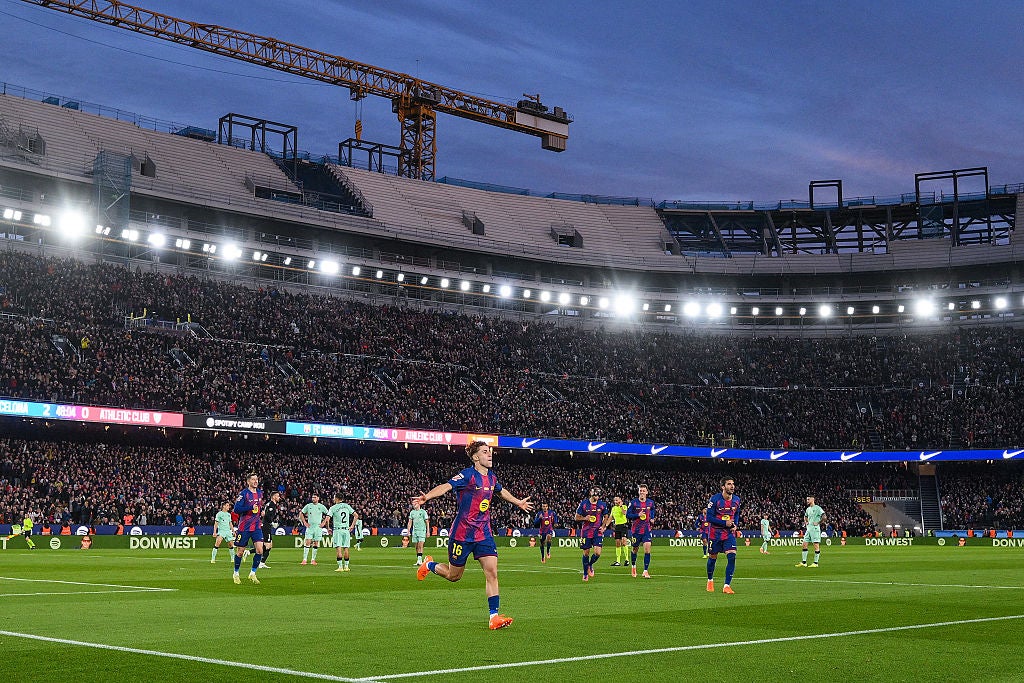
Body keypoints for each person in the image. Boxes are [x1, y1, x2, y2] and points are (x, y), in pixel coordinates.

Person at [413, 440, 533, 630]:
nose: (490, 454)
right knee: (454, 576)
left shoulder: (492, 478)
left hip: (483, 533)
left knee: (492, 572)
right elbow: (446, 486)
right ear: (476, 457)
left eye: (490, 451)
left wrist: (518, 502)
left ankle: (494, 616)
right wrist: (426, 497)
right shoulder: (467, 475)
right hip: (461, 534)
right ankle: (428, 564)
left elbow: (501, 492)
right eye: (485, 452)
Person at [705, 476, 741, 594]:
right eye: (729, 484)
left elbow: (736, 514)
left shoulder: (736, 499)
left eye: (733, 484)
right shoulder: (715, 499)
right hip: (715, 534)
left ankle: (726, 585)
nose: (732, 486)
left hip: (728, 534)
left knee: (732, 556)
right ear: (723, 487)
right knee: (712, 558)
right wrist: (724, 523)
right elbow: (709, 517)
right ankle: (710, 580)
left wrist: (735, 524)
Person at [231, 472, 264, 584]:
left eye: (257, 479)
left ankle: (252, 573)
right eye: (253, 479)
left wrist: (261, 512)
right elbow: (236, 509)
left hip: (256, 526)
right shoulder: (244, 494)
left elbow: (258, 507)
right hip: (244, 527)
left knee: (260, 550)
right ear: (248, 481)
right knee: (240, 552)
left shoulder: (260, 493)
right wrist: (250, 507)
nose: (255, 481)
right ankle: (236, 573)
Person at [574, 487, 610, 582]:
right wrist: (585, 518)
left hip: (597, 532)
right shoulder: (584, 504)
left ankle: (590, 564)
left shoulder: (602, 505)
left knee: (597, 553)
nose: (597, 497)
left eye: (598, 495)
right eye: (595, 495)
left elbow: (606, 515)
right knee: (586, 553)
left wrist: (603, 526)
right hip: (586, 531)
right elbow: (576, 518)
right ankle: (585, 573)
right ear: (591, 493)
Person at [626, 484, 656, 578]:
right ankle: (633, 566)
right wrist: (637, 515)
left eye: (643, 491)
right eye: (640, 491)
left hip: (647, 529)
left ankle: (645, 571)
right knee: (635, 549)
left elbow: (652, 510)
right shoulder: (634, 503)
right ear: (638, 492)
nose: (642, 492)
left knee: (647, 549)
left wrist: (652, 517)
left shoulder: (650, 502)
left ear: (647, 492)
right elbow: (628, 515)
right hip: (636, 530)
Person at [327, 495, 357, 572]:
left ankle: (340, 567)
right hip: (346, 530)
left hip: (338, 530)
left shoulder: (333, 508)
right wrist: (352, 526)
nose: (333, 499)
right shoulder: (347, 506)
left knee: (339, 549)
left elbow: (327, 518)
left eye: (334, 497)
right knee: (346, 549)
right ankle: (346, 567)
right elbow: (356, 515)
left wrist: (328, 528)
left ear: (336, 498)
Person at [299, 494, 329, 566]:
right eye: (312, 497)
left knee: (316, 543)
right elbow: (301, 513)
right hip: (310, 527)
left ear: (318, 498)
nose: (313, 499)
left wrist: (324, 523)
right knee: (308, 542)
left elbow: (328, 515)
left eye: (315, 497)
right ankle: (304, 559)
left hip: (318, 527)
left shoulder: (321, 506)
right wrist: (304, 522)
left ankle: (313, 560)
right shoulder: (308, 506)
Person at [797, 496, 826, 568]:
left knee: (816, 545)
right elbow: (805, 516)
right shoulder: (808, 509)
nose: (807, 500)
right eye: (806, 499)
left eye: (808, 499)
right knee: (804, 544)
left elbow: (824, 516)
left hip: (815, 529)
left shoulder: (818, 508)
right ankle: (804, 562)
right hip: (808, 529)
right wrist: (806, 522)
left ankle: (815, 563)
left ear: (813, 499)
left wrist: (818, 522)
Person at [260, 491, 283, 568]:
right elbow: (266, 515)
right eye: (277, 496)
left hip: (266, 526)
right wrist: (272, 523)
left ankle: (252, 553)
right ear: (273, 497)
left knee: (269, 545)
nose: (279, 497)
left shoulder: (270, 504)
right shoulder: (272, 505)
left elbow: (264, 514)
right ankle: (261, 562)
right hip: (266, 526)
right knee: (268, 546)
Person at [408, 500, 430, 566]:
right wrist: (408, 530)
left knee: (420, 545)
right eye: (412, 503)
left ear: (418, 504)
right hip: (415, 531)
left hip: (422, 531)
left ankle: (420, 560)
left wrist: (428, 531)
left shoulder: (423, 512)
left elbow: (427, 522)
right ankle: (418, 559)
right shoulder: (412, 512)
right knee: (416, 546)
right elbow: (410, 522)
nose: (413, 504)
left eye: (415, 503)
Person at [609, 496, 630, 567]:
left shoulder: (624, 506)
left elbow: (624, 513)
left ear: (620, 500)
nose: (615, 501)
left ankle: (627, 560)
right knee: (618, 543)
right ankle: (618, 561)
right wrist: (605, 526)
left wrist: (621, 506)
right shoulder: (613, 508)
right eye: (614, 500)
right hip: (617, 526)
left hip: (623, 526)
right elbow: (611, 517)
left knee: (624, 542)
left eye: (617, 500)